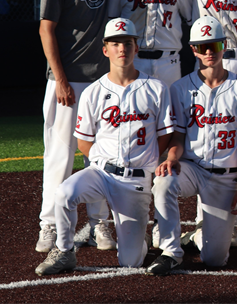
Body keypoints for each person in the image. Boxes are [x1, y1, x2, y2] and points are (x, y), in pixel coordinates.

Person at [35, 18, 173, 275]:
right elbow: (84, 140)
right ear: (105, 49)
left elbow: (164, 135)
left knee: (130, 261)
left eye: (128, 43)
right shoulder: (93, 92)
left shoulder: (156, 88)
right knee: (65, 193)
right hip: (101, 174)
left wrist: (146, 158)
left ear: (136, 48)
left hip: (135, 181)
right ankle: (65, 251)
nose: (122, 49)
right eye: (116, 43)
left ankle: (138, 238)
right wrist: (103, 162)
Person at [147, 17, 237, 275]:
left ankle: (197, 236)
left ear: (224, 45)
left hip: (225, 176)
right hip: (192, 168)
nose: (209, 52)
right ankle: (171, 251)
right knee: (163, 181)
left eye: (214, 45)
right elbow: (178, 136)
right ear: (193, 49)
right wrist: (172, 158)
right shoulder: (180, 88)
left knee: (215, 260)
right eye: (202, 46)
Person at [37, 0, 113, 254]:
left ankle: (100, 224)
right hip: (66, 82)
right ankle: (49, 226)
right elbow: (46, 29)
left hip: (99, 82)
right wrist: (61, 79)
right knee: (60, 156)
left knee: (97, 157)